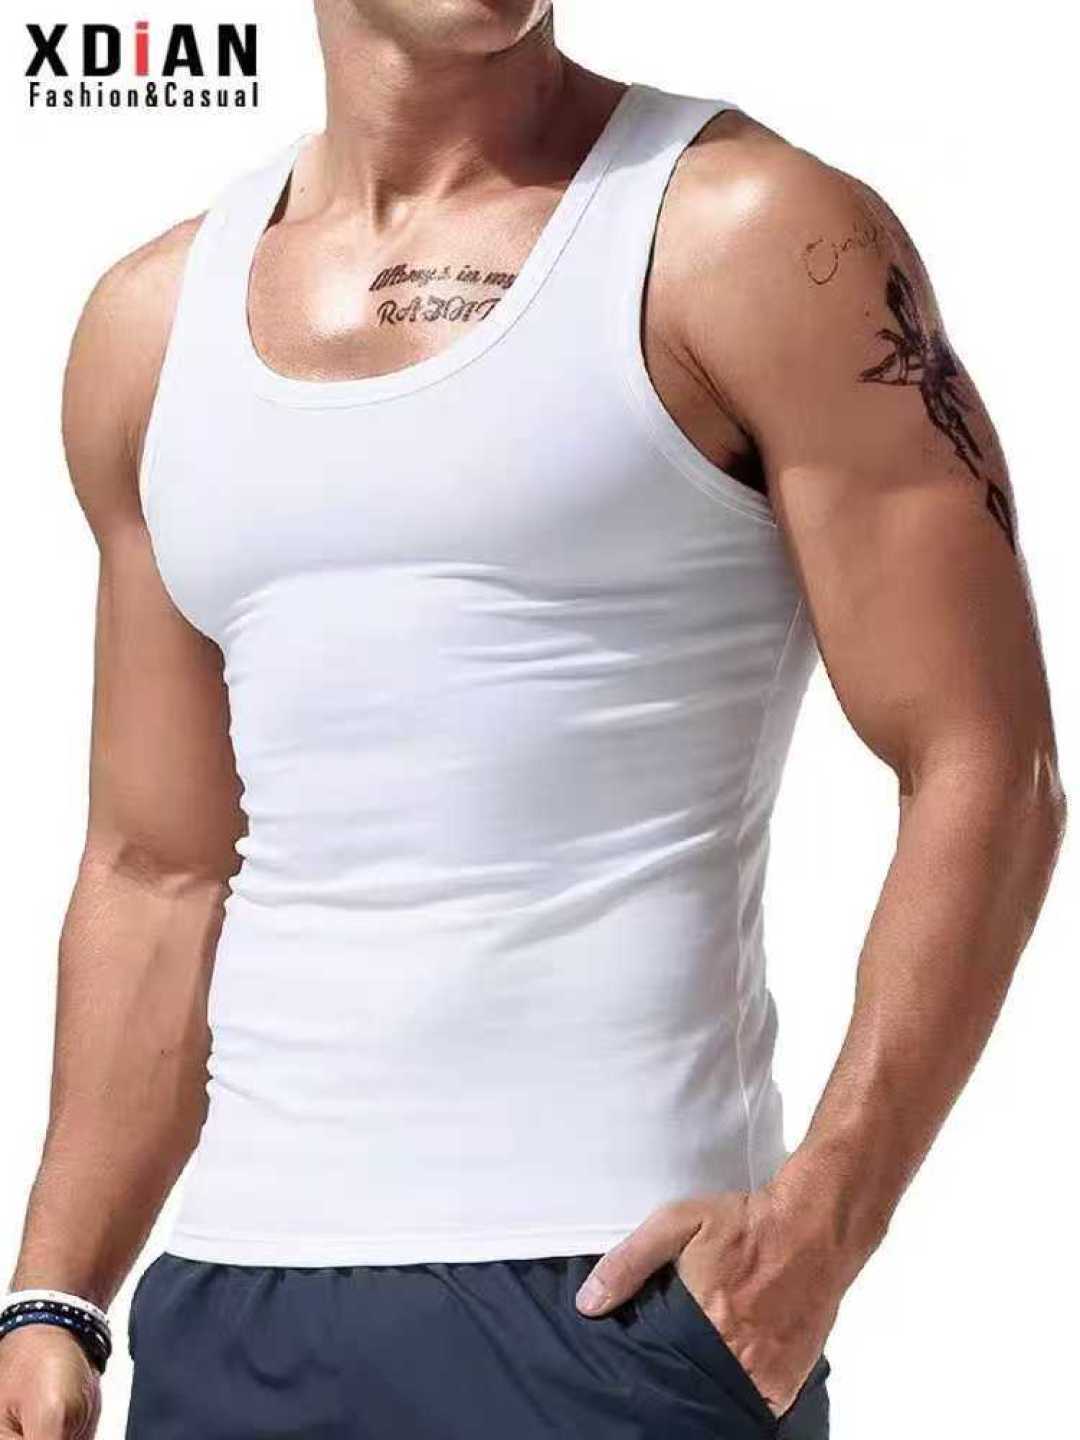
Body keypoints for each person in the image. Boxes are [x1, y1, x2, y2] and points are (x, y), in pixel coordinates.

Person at [0, 2, 1065, 1437]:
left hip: (614, 1300)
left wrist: (821, 1227)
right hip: (234, 1301)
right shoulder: (149, 326)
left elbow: (987, 763)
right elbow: (157, 864)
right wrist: (55, 1293)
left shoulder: (748, 236)